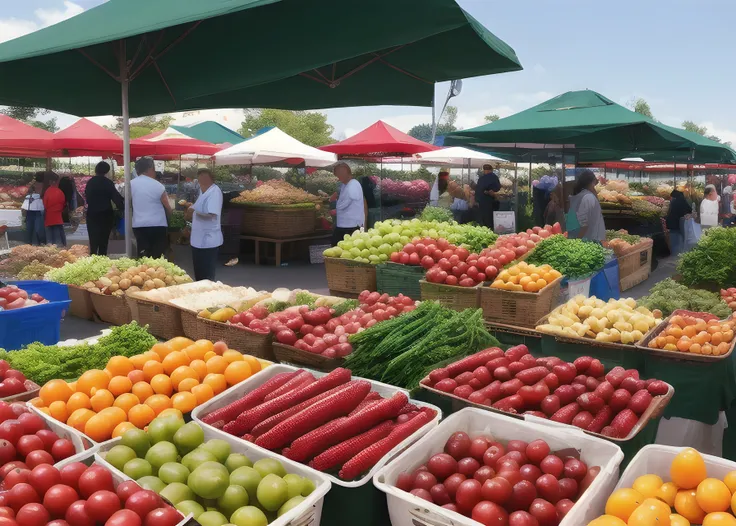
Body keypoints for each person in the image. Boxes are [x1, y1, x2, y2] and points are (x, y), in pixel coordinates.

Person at [131, 157, 172, 258]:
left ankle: (143, 272)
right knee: (157, 255)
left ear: (137, 170)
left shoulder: (130, 185)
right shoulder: (158, 186)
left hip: (139, 225)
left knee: (143, 255)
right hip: (158, 225)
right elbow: (168, 207)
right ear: (150, 169)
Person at [187, 168, 223, 281]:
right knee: (199, 274)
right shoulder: (203, 192)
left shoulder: (215, 192)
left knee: (206, 276)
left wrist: (194, 211)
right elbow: (200, 207)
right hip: (198, 240)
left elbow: (211, 213)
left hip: (208, 240)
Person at [85, 161, 124, 255]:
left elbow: (87, 197)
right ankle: (102, 258)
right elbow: (116, 198)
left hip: (92, 214)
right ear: (107, 171)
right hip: (106, 214)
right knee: (103, 240)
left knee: (93, 239)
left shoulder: (90, 182)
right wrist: (122, 207)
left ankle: (93, 257)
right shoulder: (108, 183)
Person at [331, 163, 365, 245]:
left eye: (338, 175)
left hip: (350, 225)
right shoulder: (345, 185)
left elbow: (345, 202)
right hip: (344, 224)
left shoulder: (353, 185)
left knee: (339, 247)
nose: (338, 178)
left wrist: (334, 204)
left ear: (344, 173)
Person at [568, 170, 605, 242]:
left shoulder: (586, 196)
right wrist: (577, 242)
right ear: (592, 182)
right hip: (587, 240)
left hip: (589, 239)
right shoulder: (587, 197)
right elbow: (584, 224)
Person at [41, 172, 67, 247]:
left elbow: (45, 204)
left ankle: (50, 245)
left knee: (49, 235)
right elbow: (63, 204)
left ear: (50, 182)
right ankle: (60, 245)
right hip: (58, 215)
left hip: (49, 215)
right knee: (58, 231)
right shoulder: (60, 192)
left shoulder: (48, 191)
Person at [475, 163, 501, 229]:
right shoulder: (494, 177)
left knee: (483, 217)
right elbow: (498, 187)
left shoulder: (481, 178)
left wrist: (477, 200)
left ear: (484, 170)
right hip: (491, 200)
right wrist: (492, 190)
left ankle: (484, 229)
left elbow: (478, 190)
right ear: (491, 170)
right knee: (490, 217)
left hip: (482, 200)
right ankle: (491, 229)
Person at [666, 189, 691, 255]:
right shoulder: (681, 200)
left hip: (673, 224)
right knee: (678, 242)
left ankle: (675, 254)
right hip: (678, 224)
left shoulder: (675, 201)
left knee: (675, 241)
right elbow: (688, 210)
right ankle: (678, 255)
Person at [21, 173, 45, 245]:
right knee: (35, 228)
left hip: (34, 209)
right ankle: (36, 243)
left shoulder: (36, 185)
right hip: (34, 209)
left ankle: (32, 242)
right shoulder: (38, 186)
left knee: (33, 228)